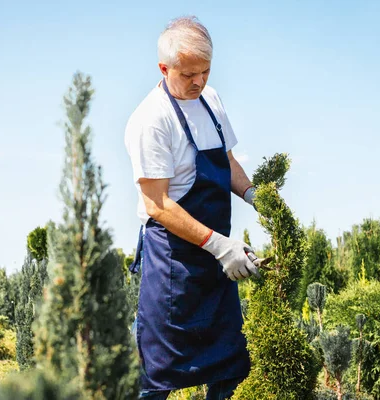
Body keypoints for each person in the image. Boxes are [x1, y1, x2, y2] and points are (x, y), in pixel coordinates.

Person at [124, 15, 260, 400]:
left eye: (206, 71)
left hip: (217, 264)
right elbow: (158, 203)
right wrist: (221, 246)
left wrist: (253, 195)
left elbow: (227, 162)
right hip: (175, 267)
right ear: (164, 68)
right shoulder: (151, 120)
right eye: (188, 75)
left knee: (231, 367)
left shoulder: (210, 99)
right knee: (158, 378)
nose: (199, 82)